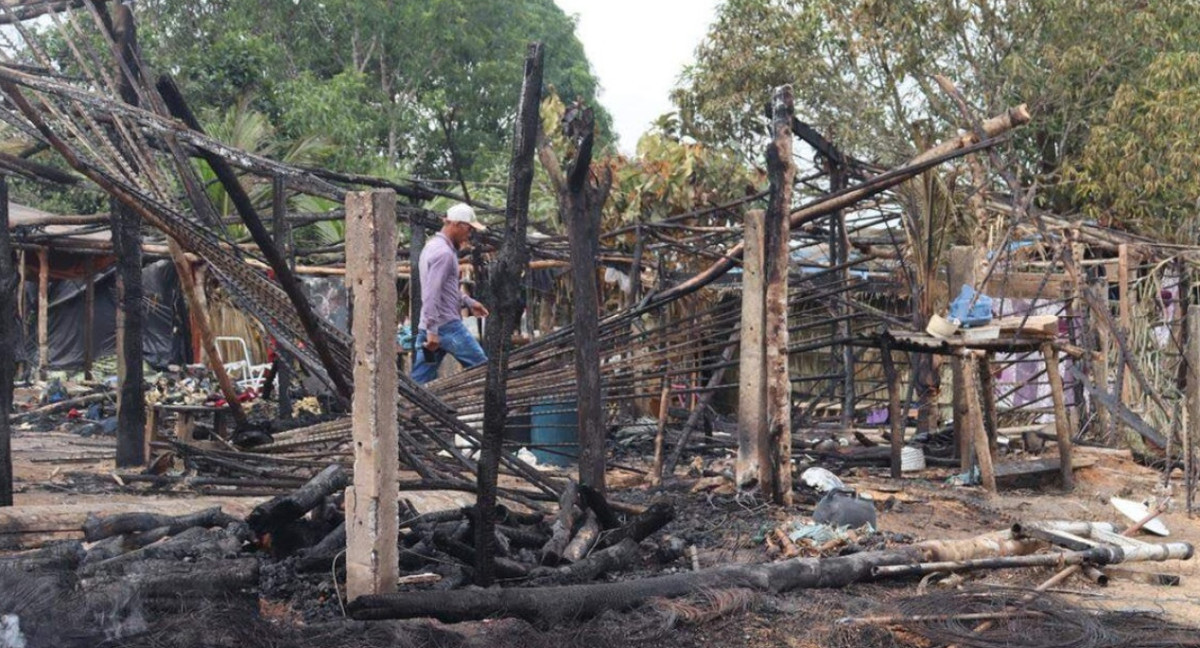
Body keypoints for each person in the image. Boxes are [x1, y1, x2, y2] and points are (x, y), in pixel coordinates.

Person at [411, 203, 490, 384]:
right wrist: (433, 332)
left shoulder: (432, 247)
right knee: (484, 371)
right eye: (468, 229)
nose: (468, 234)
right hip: (447, 327)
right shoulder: (444, 254)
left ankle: (405, 409)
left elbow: (444, 288)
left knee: (419, 382)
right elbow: (431, 294)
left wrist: (469, 302)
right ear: (456, 225)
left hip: (428, 326)